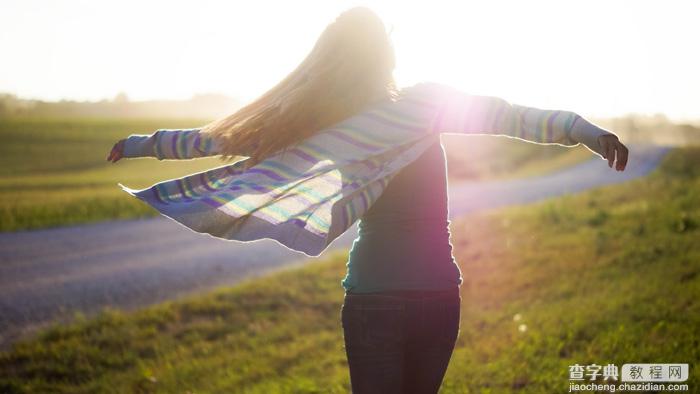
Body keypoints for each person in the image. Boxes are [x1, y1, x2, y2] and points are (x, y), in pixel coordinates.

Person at [108, 6, 628, 393]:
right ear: (387, 55)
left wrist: (145, 145)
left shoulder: (324, 122)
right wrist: (584, 131)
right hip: (434, 297)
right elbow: (512, 115)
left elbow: (222, 139)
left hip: (387, 299)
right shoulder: (423, 106)